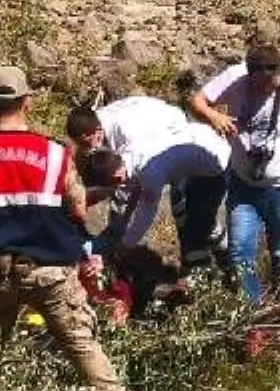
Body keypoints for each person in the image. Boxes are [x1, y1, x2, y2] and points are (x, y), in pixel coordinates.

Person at [0, 65, 157, 391]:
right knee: (81, 342)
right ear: (27, 102)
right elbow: (76, 208)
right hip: (50, 269)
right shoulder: (56, 154)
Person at [188, 41, 280, 308]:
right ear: (249, 75)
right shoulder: (234, 78)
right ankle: (253, 318)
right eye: (259, 85)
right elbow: (197, 102)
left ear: (279, 73)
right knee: (239, 254)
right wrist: (213, 116)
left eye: (272, 84)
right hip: (244, 184)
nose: (266, 90)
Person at [66, 97, 227, 271]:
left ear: (96, 133)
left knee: (188, 216)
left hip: (207, 154)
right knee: (196, 216)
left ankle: (199, 267)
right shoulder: (100, 131)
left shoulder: (133, 142)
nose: (89, 150)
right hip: (191, 141)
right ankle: (218, 251)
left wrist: (123, 243)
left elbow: (144, 212)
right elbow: (124, 182)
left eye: (88, 145)